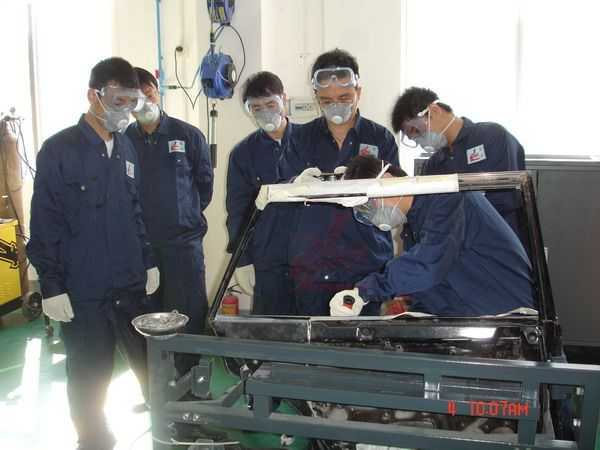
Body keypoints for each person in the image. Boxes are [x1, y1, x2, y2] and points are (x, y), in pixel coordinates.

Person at [27, 57, 159, 450]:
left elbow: (135, 211)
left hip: (129, 282)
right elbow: (45, 221)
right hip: (83, 288)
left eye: (131, 102)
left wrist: (148, 259)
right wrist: (51, 285)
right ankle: (93, 439)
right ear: (93, 95)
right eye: (118, 101)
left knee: (148, 363)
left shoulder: (127, 147)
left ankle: (165, 428)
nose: (125, 111)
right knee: (89, 374)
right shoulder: (59, 150)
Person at [329, 155, 534, 317]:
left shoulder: (448, 198)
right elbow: (433, 288)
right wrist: (410, 313)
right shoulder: (415, 225)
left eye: (367, 206)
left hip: (512, 316)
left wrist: (364, 292)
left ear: (387, 181)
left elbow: (428, 266)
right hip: (477, 317)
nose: (370, 215)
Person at [280, 48, 400, 316]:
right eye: (327, 100)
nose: (336, 105)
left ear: (359, 92)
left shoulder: (380, 139)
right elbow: (283, 194)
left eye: (345, 97)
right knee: (316, 339)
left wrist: (366, 189)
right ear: (316, 97)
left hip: (365, 265)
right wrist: (296, 184)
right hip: (313, 267)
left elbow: (396, 200)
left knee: (362, 339)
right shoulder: (299, 139)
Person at [126, 68, 213, 338]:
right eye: (136, 99)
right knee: (148, 314)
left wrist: (183, 214)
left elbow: (204, 187)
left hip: (183, 245)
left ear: (158, 92)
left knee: (188, 313)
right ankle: (153, 365)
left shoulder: (188, 135)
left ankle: (189, 363)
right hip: (142, 247)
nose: (144, 103)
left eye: (148, 94)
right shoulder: (124, 141)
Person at [391, 87, 526, 240]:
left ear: (434, 110)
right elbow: (429, 212)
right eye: (413, 139)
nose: (419, 141)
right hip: (456, 247)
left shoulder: (492, 137)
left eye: (416, 131)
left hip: (500, 241)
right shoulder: (434, 165)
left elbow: (506, 200)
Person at [226, 71, 296, 314]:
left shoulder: (309, 141)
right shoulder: (242, 154)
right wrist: (242, 259)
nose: (265, 112)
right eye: (256, 107)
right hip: (267, 257)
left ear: (284, 100)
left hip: (310, 257)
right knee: (270, 327)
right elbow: (237, 211)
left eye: (271, 104)